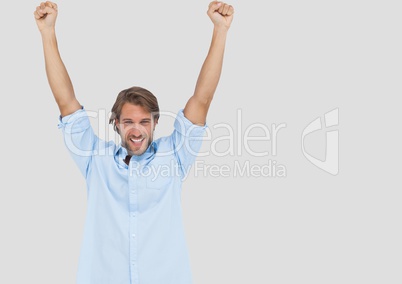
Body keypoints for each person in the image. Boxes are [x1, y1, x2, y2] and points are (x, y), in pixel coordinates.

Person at [34, 1, 234, 283]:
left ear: (155, 124)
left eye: (143, 122)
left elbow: (202, 98)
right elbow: (65, 101)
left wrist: (220, 31)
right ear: (116, 124)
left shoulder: (174, 156)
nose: (136, 131)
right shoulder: (95, 160)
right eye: (128, 122)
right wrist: (48, 33)